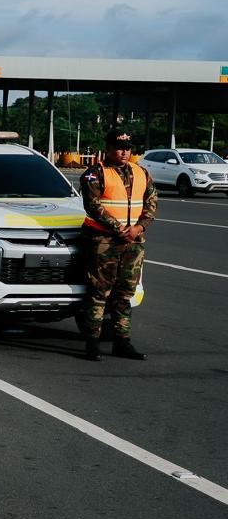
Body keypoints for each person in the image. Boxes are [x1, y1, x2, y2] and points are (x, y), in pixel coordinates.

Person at [79, 129, 156, 361]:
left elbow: (151, 202)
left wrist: (139, 228)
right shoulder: (95, 174)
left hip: (133, 241)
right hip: (104, 241)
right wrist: (120, 229)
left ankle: (122, 342)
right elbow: (93, 206)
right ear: (109, 149)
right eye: (119, 148)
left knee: (125, 294)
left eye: (127, 148)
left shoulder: (141, 172)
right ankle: (92, 344)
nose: (124, 152)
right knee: (99, 292)